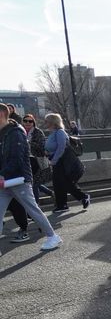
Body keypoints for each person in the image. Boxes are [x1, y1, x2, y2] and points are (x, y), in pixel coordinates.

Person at [0, 103, 62, 256]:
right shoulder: (4, 133)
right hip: (5, 181)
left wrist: (2, 174)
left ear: (1, 115)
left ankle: (53, 236)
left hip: (19, 180)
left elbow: (17, 159)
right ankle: (52, 237)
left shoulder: (15, 133)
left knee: (33, 210)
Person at [45, 113, 90, 213]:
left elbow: (61, 148)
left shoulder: (60, 132)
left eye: (47, 121)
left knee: (65, 183)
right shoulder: (53, 133)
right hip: (56, 161)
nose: (45, 123)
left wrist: (54, 160)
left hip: (62, 161)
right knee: (57, 184)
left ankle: (83, 197)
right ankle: (62, 205)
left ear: (53, 122)